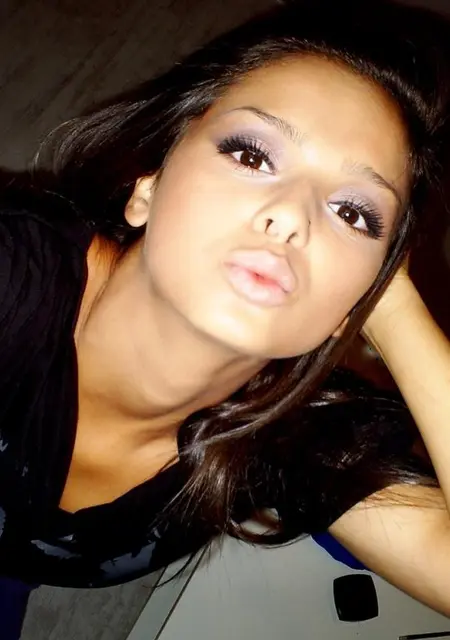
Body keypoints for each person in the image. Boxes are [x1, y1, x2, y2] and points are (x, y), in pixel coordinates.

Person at [1, 0, 450, 635]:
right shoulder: (17, 275)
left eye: (354, 213)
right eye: (253, 156)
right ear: (148, 187)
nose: (292, 216)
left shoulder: (289, 436)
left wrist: (392, 305)